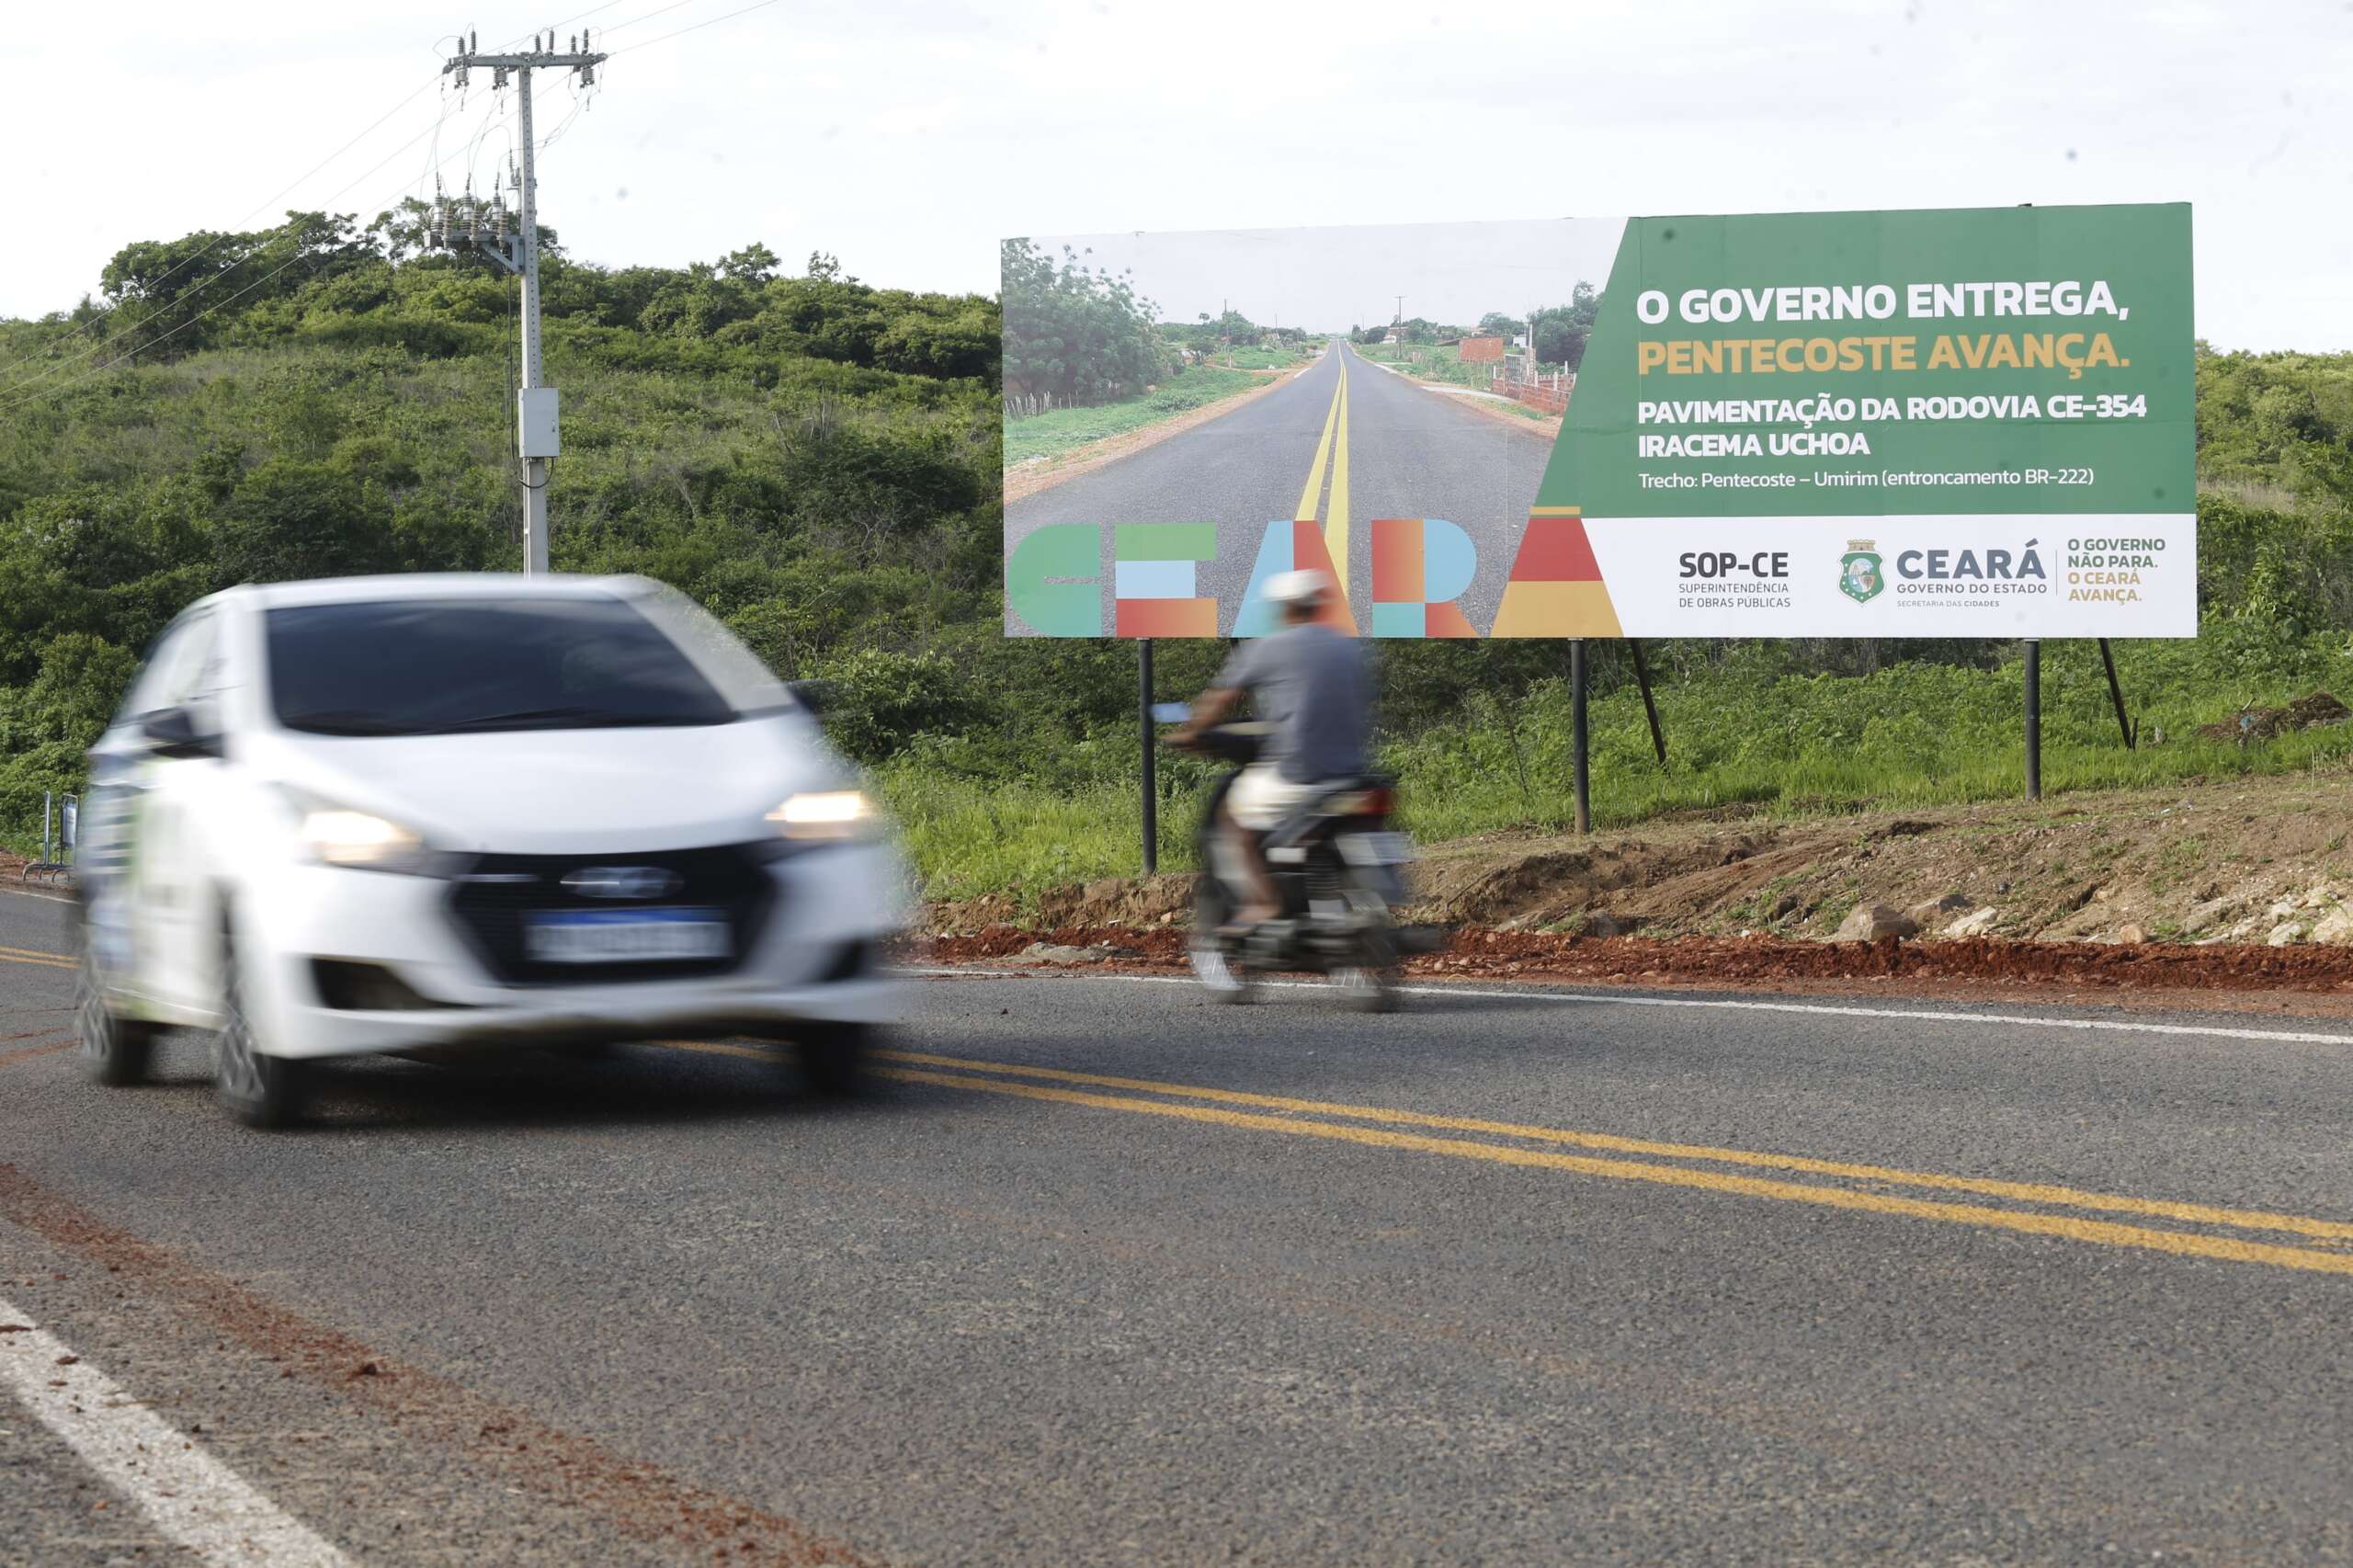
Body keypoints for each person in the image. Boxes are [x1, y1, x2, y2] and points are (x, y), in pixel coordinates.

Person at [1173, 568, 1372, 932]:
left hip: (1298, 774)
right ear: (1318, 605)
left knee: (1233, 821)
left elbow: (1218, 699)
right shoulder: (1348, 647)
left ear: (1284, 608)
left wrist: (1191, 732)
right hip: (1353, 774)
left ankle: (1263, 903)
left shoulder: (1268, 647)